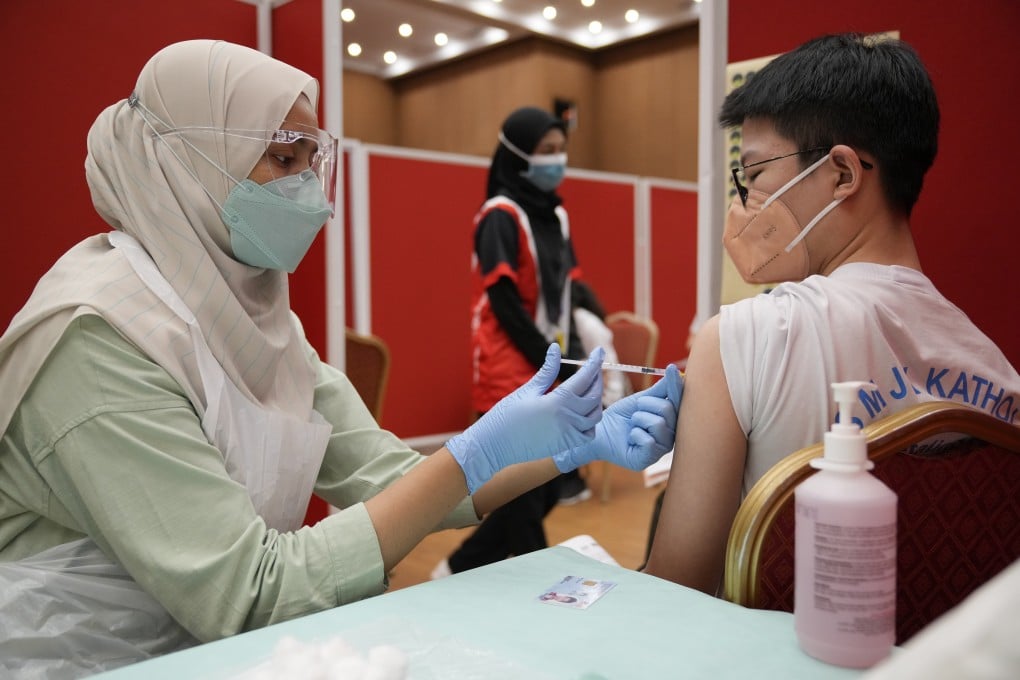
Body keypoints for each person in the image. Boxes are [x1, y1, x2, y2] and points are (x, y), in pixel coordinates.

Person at [0, 40, 682, 676]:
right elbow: (252, 591)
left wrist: (573, 447)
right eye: (283, 158)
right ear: (187, 159)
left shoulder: (255, 322)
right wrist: (474, 452)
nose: (307, 190)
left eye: (310, 160)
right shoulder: (98, 337)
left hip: (208, 649)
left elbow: (388, 479)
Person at [643, 33, 1020, 595]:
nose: (745, 203)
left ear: (842, 174)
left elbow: (676, 592)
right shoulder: (996, 370)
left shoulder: (741, 338)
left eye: (754, 175)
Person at [432, 106, 612, 579]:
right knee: (526, 495)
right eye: (545, 151)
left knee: (548, 485)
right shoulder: (499, 217)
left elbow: (571, 286)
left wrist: (590, 339)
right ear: (517, 155)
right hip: (509, 369)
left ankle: (458, 568)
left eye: (561, 150)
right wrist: (551, 363)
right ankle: (551, 586)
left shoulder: (556, 216)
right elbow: (504, 301)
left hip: (550, 362)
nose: (557, 160)